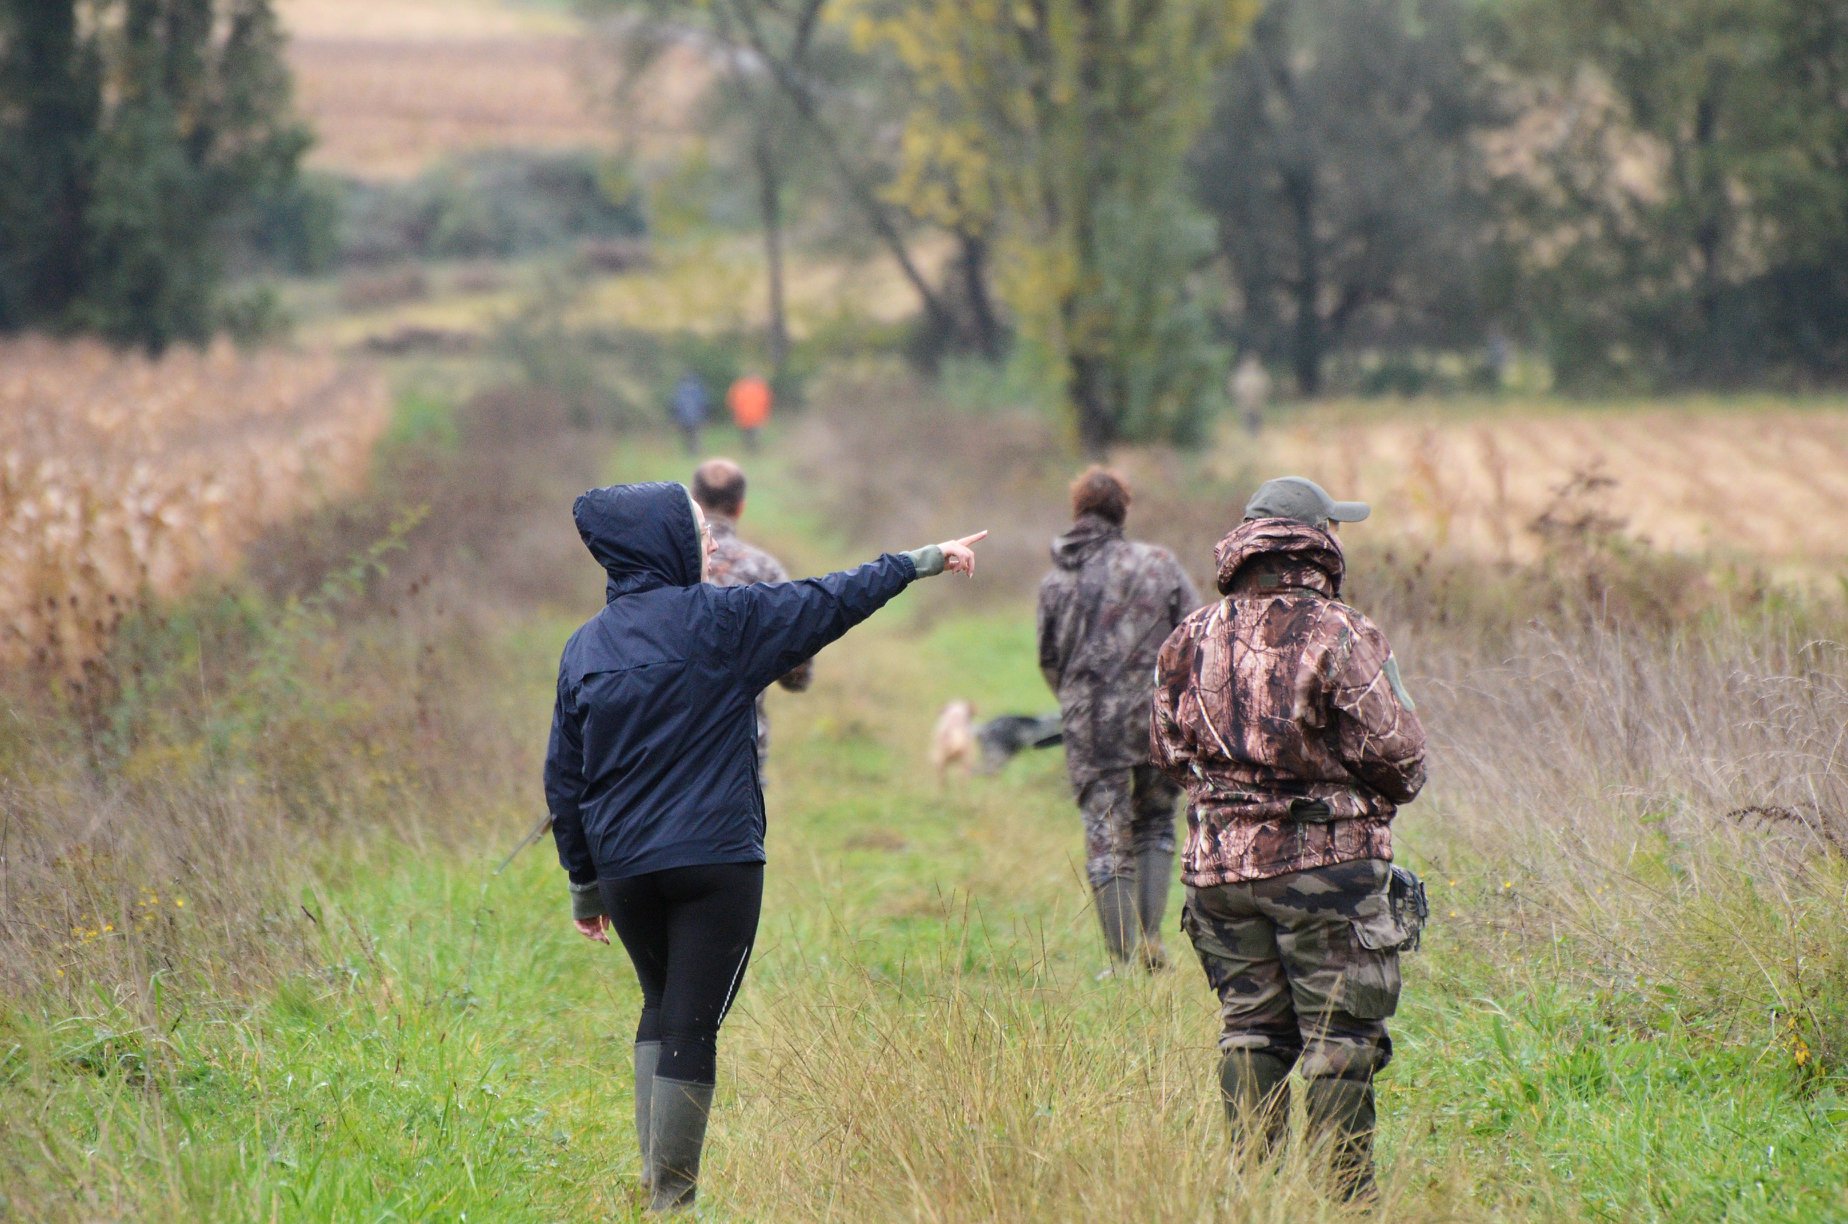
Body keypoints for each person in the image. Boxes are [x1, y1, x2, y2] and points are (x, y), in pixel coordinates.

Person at [544, 479, 983, 1213]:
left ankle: (656, 1189)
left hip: (625, 871)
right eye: (695, 532)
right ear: (664, 544)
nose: (710, 542)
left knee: (661, 1007)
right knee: (691, 1023)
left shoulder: (583, 647)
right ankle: (671, 1200)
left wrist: (585, 885)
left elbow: (564, 779)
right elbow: (832, 599)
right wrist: (923, 560)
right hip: (717, 863)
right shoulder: (730, 620)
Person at [1150, 475, 1426, 1199]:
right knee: (1339, 1038)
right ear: (1320, 542)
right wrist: (1356, 796)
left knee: (1249, 1029)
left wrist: (1229, 803)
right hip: (1328, 869)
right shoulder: (1341, 630)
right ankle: (1342, 1202)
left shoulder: (1188, 637)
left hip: (1219, 874)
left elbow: (1166, 748)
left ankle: (1255, 1195)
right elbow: (1402, 755)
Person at [1037, 467, 1200, 974]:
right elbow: (1194, 637)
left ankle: (1124, 961)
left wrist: (1074, 701)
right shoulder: (1161, 564)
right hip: (1157, 718)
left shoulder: (1057, 577)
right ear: (1123, 509)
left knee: (1106, 834)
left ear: (1077, 510)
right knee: (1155, 824)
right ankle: (1151, 943)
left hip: (1092, 725)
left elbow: (1049, 658)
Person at [691, 459, 810, 771]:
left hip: (665, 743)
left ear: (693, 500)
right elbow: (797, 671)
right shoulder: (764, 569)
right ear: (740, 507)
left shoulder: (662, 563)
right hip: (741, 744)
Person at [725, 373, 772, 452]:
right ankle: (753, 449)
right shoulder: (761, 388)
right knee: (754, 435)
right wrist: (765, 415)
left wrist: (735, 413)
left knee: (746, 435)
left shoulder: (739, 387)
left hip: (743, 416)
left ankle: (749, 449)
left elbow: (732, 401)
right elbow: (767, 403)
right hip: (757, 417)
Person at [1230, 354, 1271, 438]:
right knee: (1247, 418)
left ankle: (1257, 434)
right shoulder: (1241, 375)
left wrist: (1260, 395)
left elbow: (1266, 387)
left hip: (1257, 402)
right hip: (1245, 402)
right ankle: (1248, 435)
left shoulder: (1260, 374)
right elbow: (1235, 388)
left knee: (1257, 418)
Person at [670, 373, 711, 455]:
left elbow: (674, 405)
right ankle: (695, 452)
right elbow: (704, 404)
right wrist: (706, 416)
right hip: (696, 417)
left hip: (683, 418)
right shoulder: (698, 390)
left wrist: (674, 418)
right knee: (696, 436)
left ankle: (689, 452)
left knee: (686, 436)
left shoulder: (679, 390)